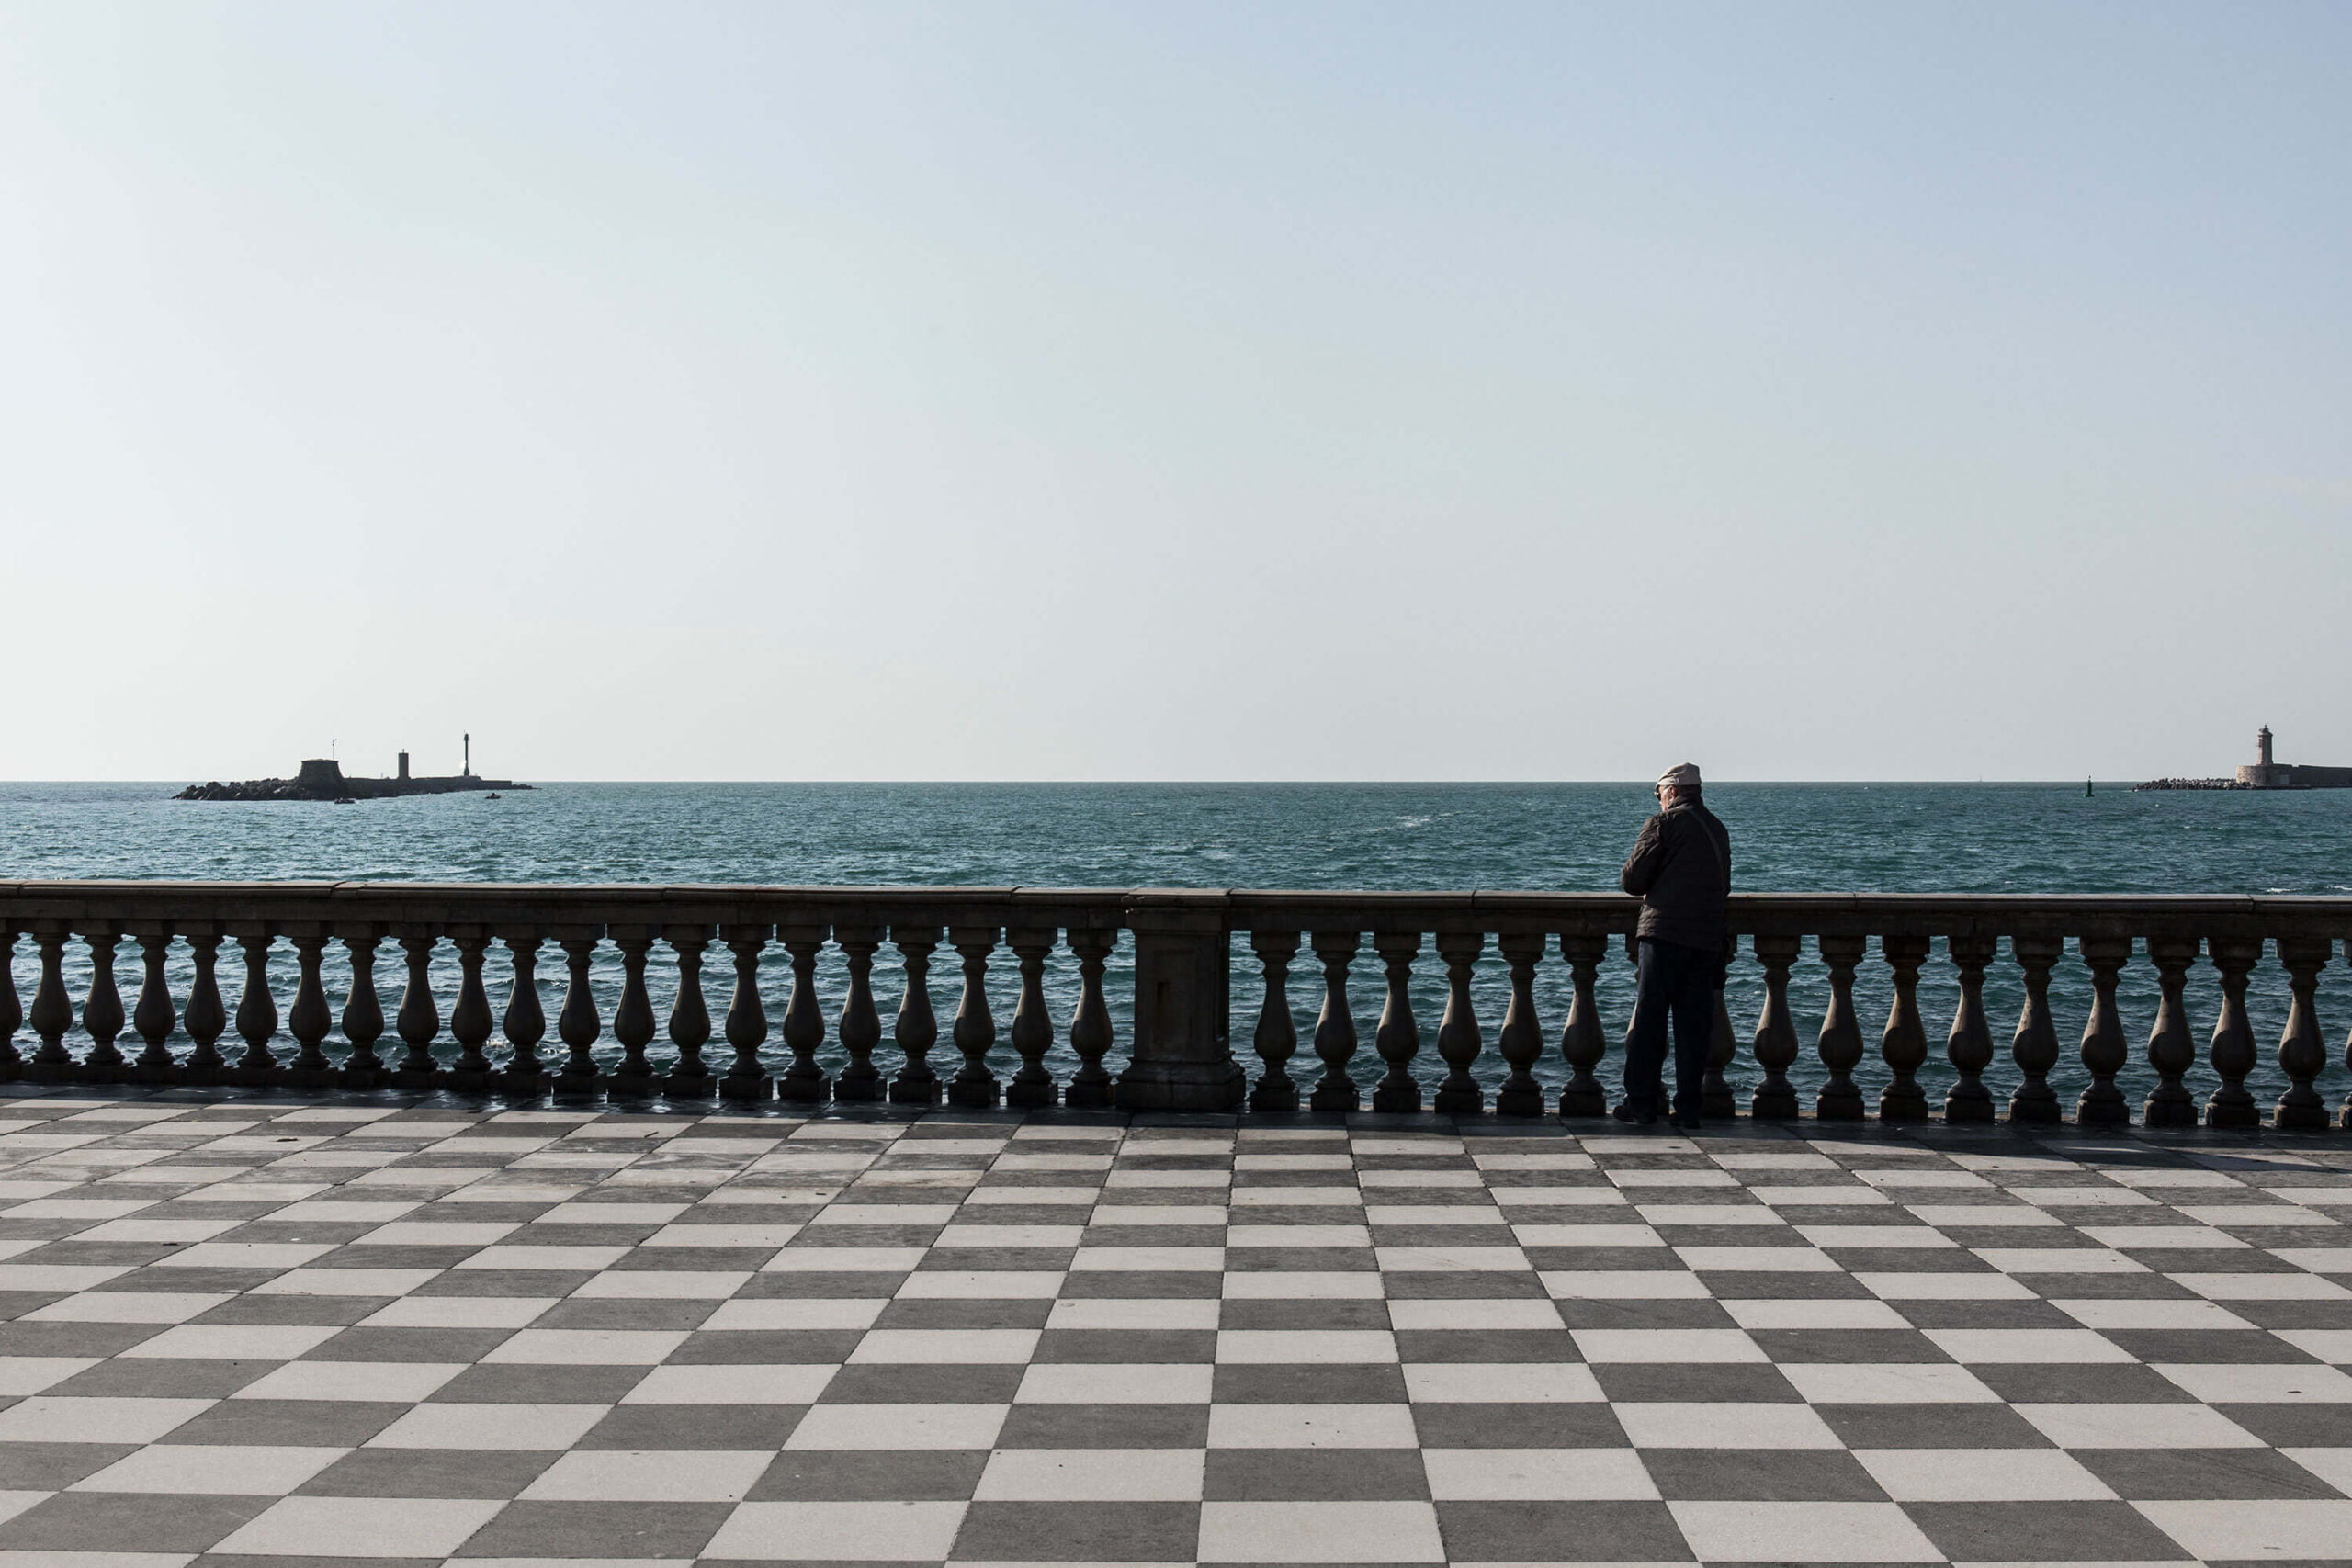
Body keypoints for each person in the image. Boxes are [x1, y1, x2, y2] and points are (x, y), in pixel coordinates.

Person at [1615, 762, 1732, 1131]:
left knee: (1649, 1023)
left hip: (1664, 935)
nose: (1659, 801)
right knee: (1693, 1028)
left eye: (1659, 794)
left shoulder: (1663, 824)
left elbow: (1632, 880)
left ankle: (1642, 1104)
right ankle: (1689, 1109)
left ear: (1672, 792)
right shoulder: (1717, 828)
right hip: (1706, 939)